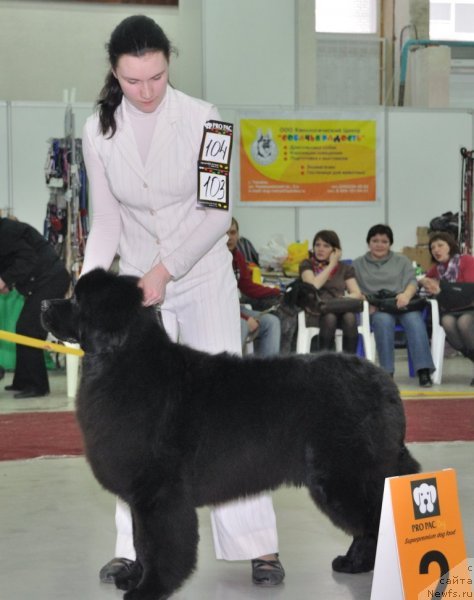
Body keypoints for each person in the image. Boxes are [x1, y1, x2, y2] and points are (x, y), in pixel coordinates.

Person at [80, 15, 284, 587]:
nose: (145, 92)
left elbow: (216, 213)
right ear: (114, 73)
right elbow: (107, 221)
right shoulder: (98, 131)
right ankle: (135, 548)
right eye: (131, 81)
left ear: (169, 63)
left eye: (156, 77)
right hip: (136, 294)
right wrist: (89, 290)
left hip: (201, 281)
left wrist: (166, 271)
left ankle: (258, 545)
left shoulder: (209, 121)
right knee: (130, 420)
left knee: (229, 416)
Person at [353, 224, 435, 386]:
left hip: (404, 304)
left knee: (415, 321)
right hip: (379, 307)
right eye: (375, 240)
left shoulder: (402, 260)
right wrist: (366, 303)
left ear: (390, 243)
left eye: (384, 241)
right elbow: (354, 290)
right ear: (368, 243)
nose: (379, 245)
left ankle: (424, 371)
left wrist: (406, 295)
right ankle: (386, 372)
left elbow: (413, 282)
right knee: (382, 321)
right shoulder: (358, 264)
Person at [0, 217, 70, 397]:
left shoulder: (6, 232)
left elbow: (27, 258)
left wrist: (5, 280)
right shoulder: (7, 231)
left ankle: (37, 386)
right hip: (42, 280)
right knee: (22, 329)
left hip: (51, 279)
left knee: (29, 329)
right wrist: (8, 282)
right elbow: (14, 261)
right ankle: (23, 381)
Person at [420, 231, 474, 385]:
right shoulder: (437, 269)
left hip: (470, 307)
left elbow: (470, 289)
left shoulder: (467, 260)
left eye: (440, 245)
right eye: (432, 248)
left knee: (464, 323)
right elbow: (423, 280)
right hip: (451, 310)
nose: (436, 250)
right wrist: (424, 281)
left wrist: (442, 288)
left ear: (450, 246)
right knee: (448, 323)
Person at [299, 230, 363, 353]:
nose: (320, 249)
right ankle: (325, 363)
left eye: (326, 246)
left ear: (335, 250)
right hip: (315, 312)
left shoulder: (345, 268)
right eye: (317, 245)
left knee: (349, 316)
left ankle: (348, 363)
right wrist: (332, 264)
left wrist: (345, 299)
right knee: (330, 317)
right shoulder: (307, 264)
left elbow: (356, 292)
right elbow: (313, 285)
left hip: (339, 309)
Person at [227, 218, 281, 356]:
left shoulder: (238, 256)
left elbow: (248, 287)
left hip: (236, 308)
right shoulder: (213, 260)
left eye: (233, 233)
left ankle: (266, 373)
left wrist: (276, 291)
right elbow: (215, 301)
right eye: (225, 233)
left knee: (272, 323)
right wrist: (245, 318)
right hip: (220, 311)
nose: (229, 237)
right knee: (242, 325)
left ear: (238, 235)